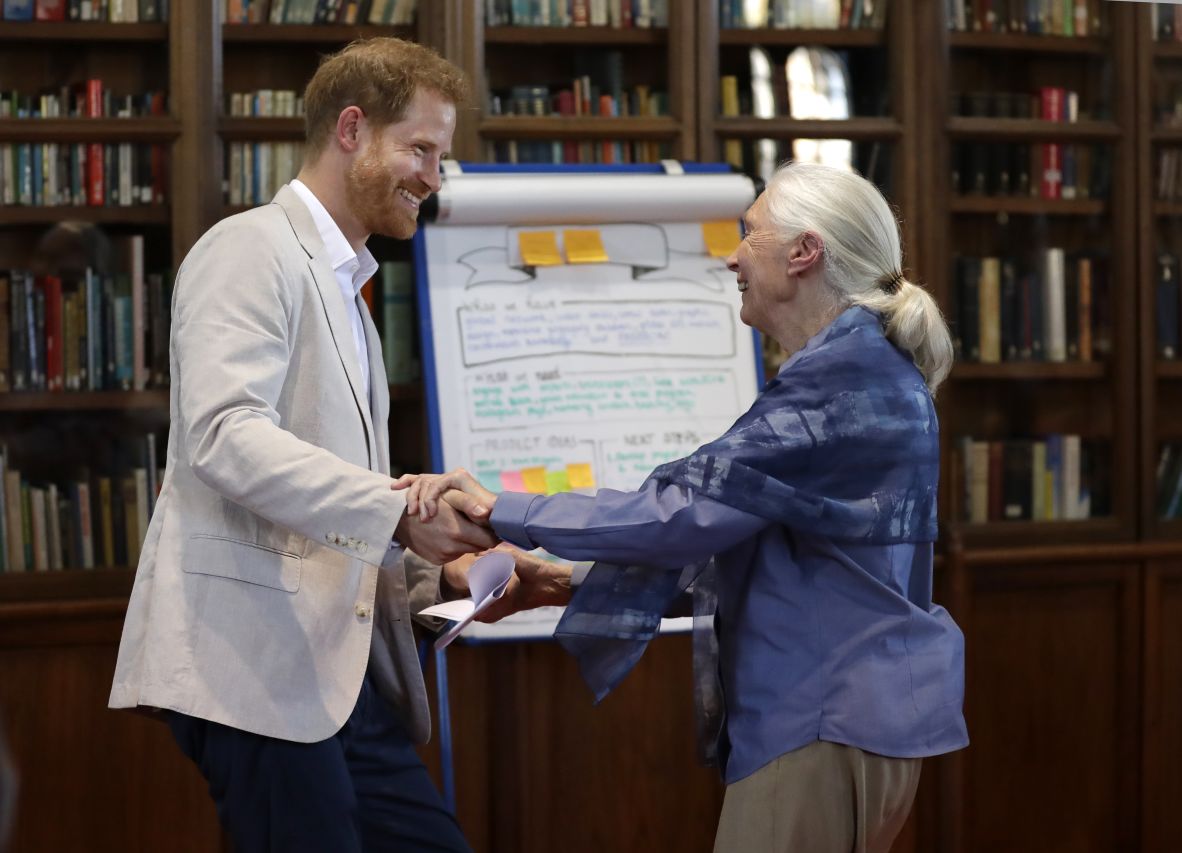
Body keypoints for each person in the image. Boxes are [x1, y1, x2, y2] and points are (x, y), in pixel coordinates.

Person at [399, 161, 969, 853]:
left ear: (804, 252)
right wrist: (557, 580)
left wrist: (500, 507)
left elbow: (678, 514)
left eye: (748, 232)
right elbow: (752, 553)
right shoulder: (862, 370)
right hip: (849, 715)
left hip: (823, 717)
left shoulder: (842, 383)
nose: (731, 255)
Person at [108, 38, 499, 852]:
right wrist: (398, 512)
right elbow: (223, 436)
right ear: (351, 129)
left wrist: (439, 566)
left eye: (440, 156)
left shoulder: (347, 283)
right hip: (254, 670)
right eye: (421, 149)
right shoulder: (248, 248)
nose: (433, 176)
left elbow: (322, 486)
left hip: (335, 675)